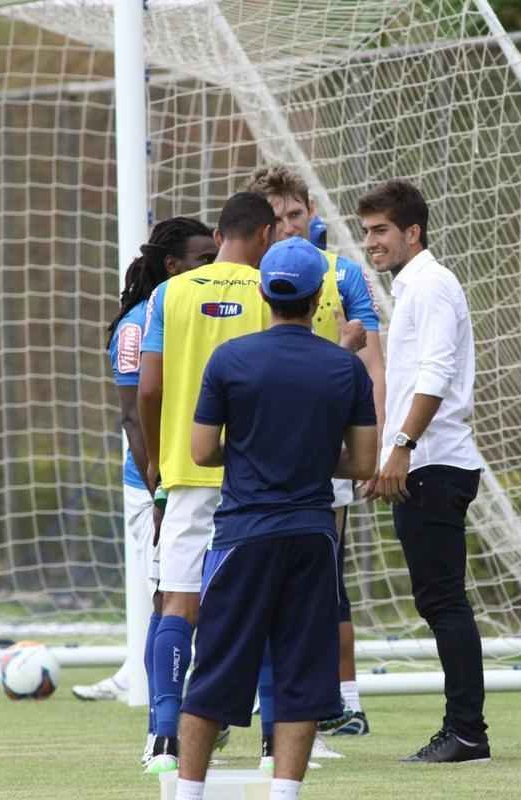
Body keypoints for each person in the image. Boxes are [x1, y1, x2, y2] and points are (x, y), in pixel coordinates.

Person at [176, 236, 378, 800]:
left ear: (264, 294)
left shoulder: (229, 360)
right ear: (317, 300)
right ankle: (284, 794)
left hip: (243, 536)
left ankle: (188, 794)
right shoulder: (345, 368)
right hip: (312, 538)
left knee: (214, 671)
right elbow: (363, 463)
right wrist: (307, 456)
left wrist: (252, 451)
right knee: (302, 679)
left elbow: (201, 451)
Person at [138, 193, 277, 774]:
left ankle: (164, 740)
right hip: (256, 476)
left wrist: (157, 458)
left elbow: (149, 387)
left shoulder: (168, 294)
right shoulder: (271, 291)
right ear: (266, 235)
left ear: (218, 235)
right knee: (267, 608)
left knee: (178, 602)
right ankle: (274, 747)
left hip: (187, 471)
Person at [245, 165, 385, 742]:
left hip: (324, 455)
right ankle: (265, 703)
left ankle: (341, 703)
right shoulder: (246, 282)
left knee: (325, 578)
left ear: (311, 213)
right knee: (255, 584)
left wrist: (375, 446)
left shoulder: (342, 274)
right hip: (257, 456)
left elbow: (373, 362)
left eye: (296, 214)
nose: (287, 227)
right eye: (276, 218)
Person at [74, 217, 217, 756]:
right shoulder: (137, 325)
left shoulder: (202, 309)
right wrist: (157, 486)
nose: (213, 268)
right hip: (156, 485)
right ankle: (162, 728)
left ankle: (202, 712)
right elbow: (134, 415)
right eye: (204, 260)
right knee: (170, 598)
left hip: (202, 476)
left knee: (210, 598)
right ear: (172, 265)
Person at [358, 179, 489, 763]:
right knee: (439, 601)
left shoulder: (432, 283)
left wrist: (402, 446)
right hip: (426, 460)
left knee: (444, 601)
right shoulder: (412, 285)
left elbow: (435, 374)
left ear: (413, 232)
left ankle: (467, 733)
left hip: (435, 462)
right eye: (366, 231)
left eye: (381, 230)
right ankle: (464, 729)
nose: (371, 241)